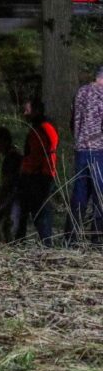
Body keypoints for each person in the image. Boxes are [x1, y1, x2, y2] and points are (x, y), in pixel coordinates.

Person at [66, 67, 103, 245]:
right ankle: (98, 237)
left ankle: (71, 236)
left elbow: (72, 121)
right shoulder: (101, 95)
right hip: (99, 150)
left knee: (79, 194)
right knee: (100, 195)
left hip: (80, 150)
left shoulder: (80, 92)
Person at [16, 98, 58, 246]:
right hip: (33, 175)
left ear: (36, 111)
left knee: (40, 211)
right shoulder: (37, 128)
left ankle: (47, 244)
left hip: (40, 177)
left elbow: (44, 153)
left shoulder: (44, 129)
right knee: (26, 210)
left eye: (27, 110)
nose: (24, 113)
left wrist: (33, 171)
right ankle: (20, 241)